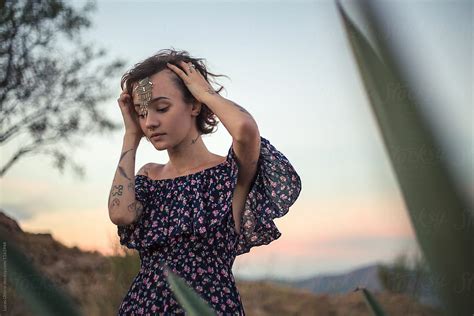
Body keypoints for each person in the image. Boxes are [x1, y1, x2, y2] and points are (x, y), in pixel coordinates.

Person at [108, 48, 302, 315]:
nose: (150, 122)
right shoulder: (148, 175)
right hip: (143, 306)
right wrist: (131, 135)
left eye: (161, 108)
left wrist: (206, 93)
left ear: (194, 105)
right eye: (142, 113)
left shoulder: (227, 175)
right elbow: (120, 214)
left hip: (209, 307)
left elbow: (246, 130)